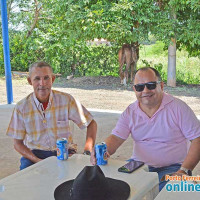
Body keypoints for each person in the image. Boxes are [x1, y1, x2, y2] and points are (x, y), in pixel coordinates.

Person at [91, 67, 200, 191]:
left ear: (161, 86)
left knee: (166, 194)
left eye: (151, 85)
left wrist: (184, 170)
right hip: (137, 165)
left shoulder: (178, 108)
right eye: (140, 87)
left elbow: (197, 139)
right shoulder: (130, 112)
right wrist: (102, 149)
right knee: (112, 188)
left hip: (173, 167)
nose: (145, 91)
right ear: (134, 90)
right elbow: (116, 137)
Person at [7, 61, 97, 170]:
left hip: (65, 151)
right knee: (27, 181)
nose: (42, 83)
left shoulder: (66, 100)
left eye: (46, 78)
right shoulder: (21, 107)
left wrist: (88, 150)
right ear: (30, 81)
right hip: (35, 154)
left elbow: (91, 123)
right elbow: (17, 144)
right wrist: (37, 160)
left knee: (72, 181)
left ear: (53, 79)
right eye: (37, 79)